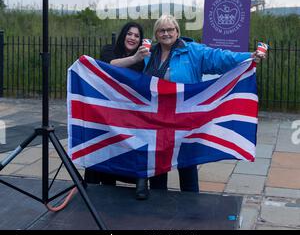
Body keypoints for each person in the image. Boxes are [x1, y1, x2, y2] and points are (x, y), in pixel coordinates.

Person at [144, 14, 267, 192]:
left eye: (170, 29)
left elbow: (220, 58)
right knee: (157, 165)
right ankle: (158, 202)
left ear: (177, 32)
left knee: (186, 165)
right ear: (156, 35)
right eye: (161, 30)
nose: (166, 33)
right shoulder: (149, 54)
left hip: (184, 118)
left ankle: (191, 207)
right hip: (156, 118)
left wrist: (248, 57)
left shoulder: (193, 51)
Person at [84, 21, 150, 200]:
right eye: (130, 34)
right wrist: (135, 58)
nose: (132, 38)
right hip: (107, 109)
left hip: (129, 110)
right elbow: (110, 64)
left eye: (137, 35)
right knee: (104, 144)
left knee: (134, 144)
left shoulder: (143, 61)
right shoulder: (109, 50)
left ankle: (140, 181)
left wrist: (141, 58)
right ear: (123, 35)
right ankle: (100, 184)